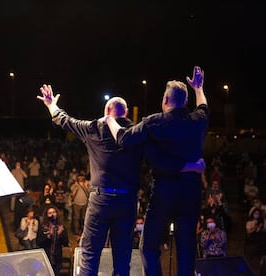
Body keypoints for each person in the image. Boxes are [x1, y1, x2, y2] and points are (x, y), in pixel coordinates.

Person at [37, 83, 204, 275]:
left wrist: (51, 105)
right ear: (125, 113)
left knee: (90, 256)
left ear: (107, 112)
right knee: (122, 260)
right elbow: (160, 158)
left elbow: (64, 120)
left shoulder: (93, 128)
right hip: (127, 202)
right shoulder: (138, 132)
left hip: (100, 200)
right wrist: (191, 165)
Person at [106, 66, 209, 275]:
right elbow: (204, 107)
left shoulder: (154, 122)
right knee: (187, 249)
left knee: (149, 247)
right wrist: (199, 88)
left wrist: (109, 120)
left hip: (164, 191)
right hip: (191, 192)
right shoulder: (197, 121)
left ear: (165, 100)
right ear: (185, 102)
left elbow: (124, 139)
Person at [37, 205, 69, 275]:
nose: (52, 214)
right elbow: (39, 242)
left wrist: (60, 235)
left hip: (57, 258)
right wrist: (48, 236)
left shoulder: (61, 227)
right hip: (46, 257)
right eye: (50, 213)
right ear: (46, 215)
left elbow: (66, 243)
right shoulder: (43, 227)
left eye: (54, 212)